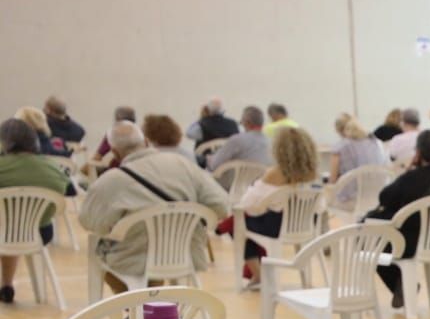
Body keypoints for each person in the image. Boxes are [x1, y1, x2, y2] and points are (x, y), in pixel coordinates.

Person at [79, 121, 230, 293]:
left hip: (133, 259)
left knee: (100, 250)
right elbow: (221, 206)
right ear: (146, 142)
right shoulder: (183, 165)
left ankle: (138, 308)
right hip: (186, 252)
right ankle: (153, 309)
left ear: (114, 153)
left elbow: (89, 222)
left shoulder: (111, 180)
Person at [365, 129, 430, 308]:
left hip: (407, 243)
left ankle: (401, 284)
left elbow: (384, 197)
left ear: (418, 152)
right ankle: (405, 286)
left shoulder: (411, 178)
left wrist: (408, 171)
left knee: (369, 243)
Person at [233, 125, 320, 285]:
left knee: (238, 224)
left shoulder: (275, 174)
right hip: (306, 225)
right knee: (243, 224)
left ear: (279, 150)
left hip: (276, 228)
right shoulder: (313, 173)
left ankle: (257, 274)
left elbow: (249, 204)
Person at [0, 118, 74, 303]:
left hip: (3, 231)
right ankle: (6, 285)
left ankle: (7, 284)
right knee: (14, 228)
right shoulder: (55, 168)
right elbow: (70, 190)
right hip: (39, 233)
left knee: (8, 227)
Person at [207, 105, 272, 171]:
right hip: (261, 179)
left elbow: (214, 165)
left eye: (242, 122)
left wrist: (209, 159)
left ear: (248, 122)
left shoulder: (236, 140)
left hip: (234, 180)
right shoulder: (271, 142)